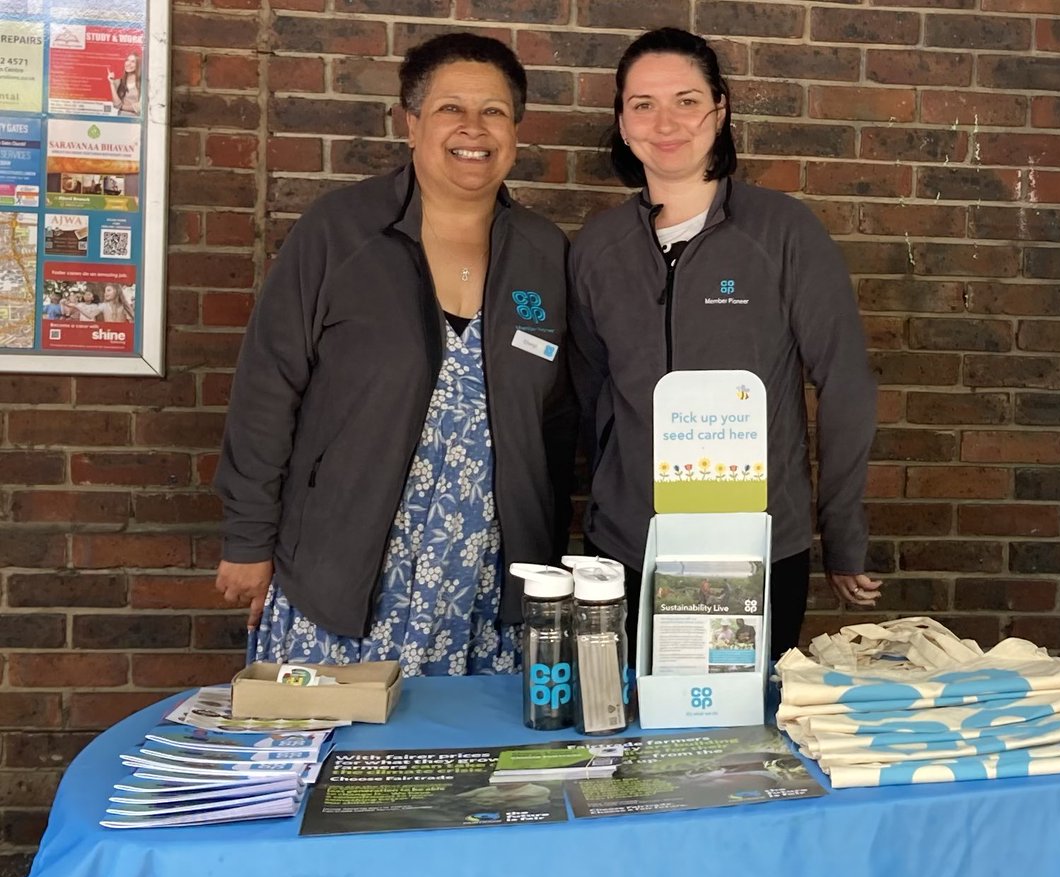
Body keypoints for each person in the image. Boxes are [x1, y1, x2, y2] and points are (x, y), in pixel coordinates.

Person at [214, 32, 575, 676]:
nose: (473, 128)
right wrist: (248, 540)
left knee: (465, 741)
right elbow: (267, 391)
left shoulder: (546, 254)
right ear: (410, 124)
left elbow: (557, 423)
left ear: (515, 130)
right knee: (332, 737)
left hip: (485, 587)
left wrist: (543, 563)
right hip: (343, 575)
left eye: (493, 111)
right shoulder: (340, 232)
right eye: (450, 108)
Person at [569, 27, 882, 659]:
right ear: (622, 123)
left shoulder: (783, 231)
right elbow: (587, 399)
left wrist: (841, 534)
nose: (666, 123)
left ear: (720, 109)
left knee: (745, 720)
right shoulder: (596, 249)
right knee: (621, 713)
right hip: (627, 550)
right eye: (643, 104)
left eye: (686, 101)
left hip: (755, 551)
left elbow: (846, 383)